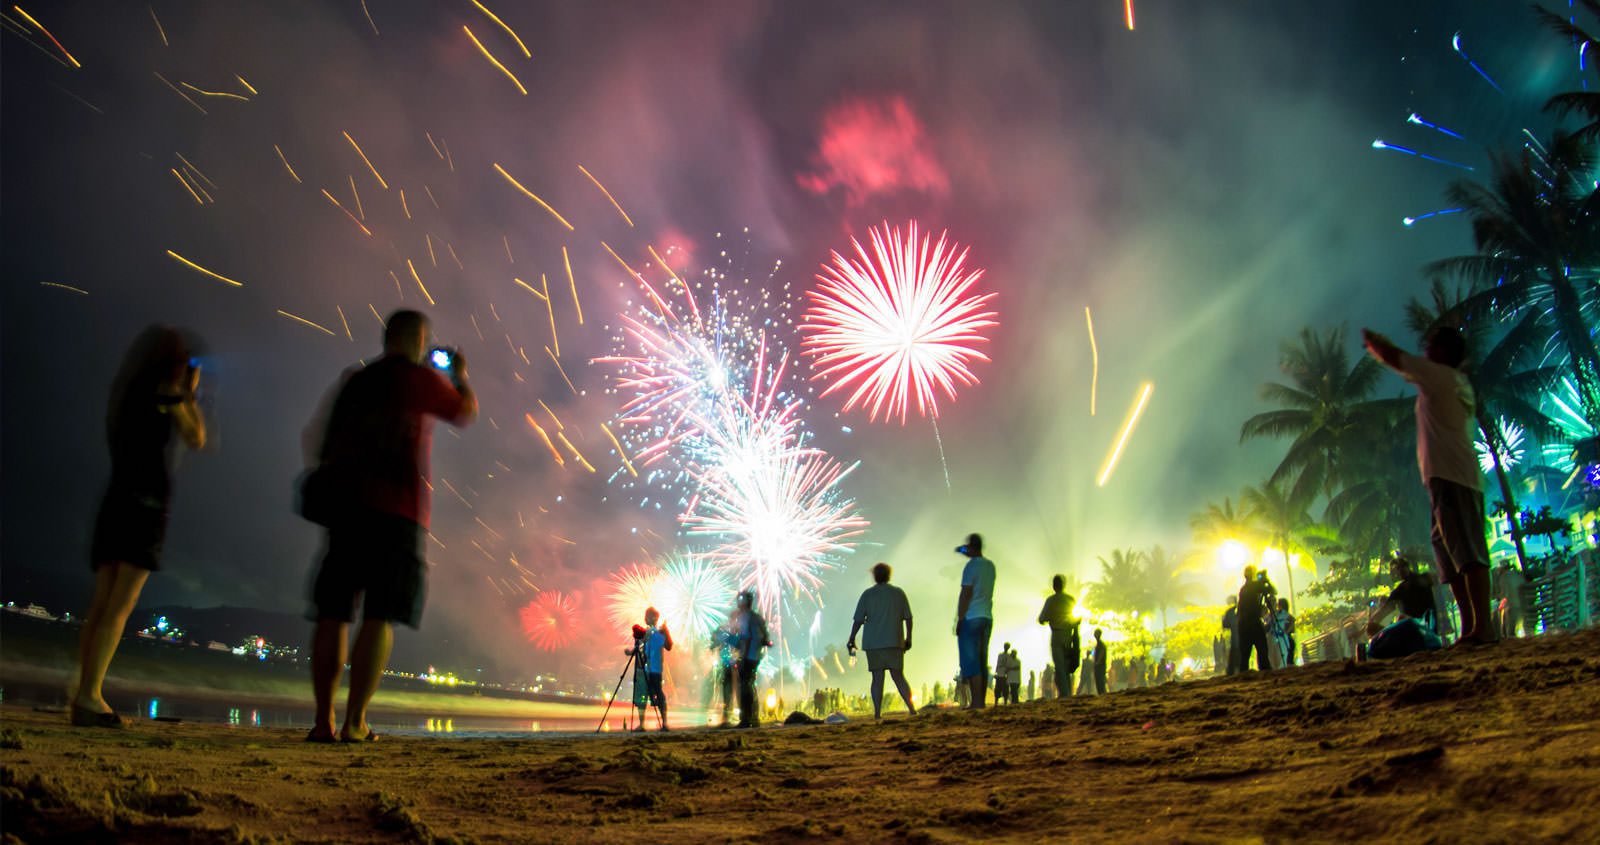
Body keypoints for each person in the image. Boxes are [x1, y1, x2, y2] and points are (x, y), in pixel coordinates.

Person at [303, 310, 476, 743]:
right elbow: (465, 411)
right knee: (380, 616)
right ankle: (355, 722)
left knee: (333, 613)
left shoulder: (356, 380)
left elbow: (317, 440)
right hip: (398, 513)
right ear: (418, 339)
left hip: (346, 510)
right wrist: (459, 374)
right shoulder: (418, 379)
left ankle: (323, 721)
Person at [72, 327, 207, 728]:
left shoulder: (130, 390)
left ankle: (83, 691)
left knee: (101, 603)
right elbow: (197, 436)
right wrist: (191, 393)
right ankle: (89, 695)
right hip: (145, 503)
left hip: (116, 496)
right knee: (120, 605)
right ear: (177, 363)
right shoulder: (169, 394)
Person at [1363, 326, 1495, 645]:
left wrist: (1373, 341)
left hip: (1453, 477)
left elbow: (1396, 358)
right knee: (1449, 557)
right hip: (1443, 478)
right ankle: (1470, 627)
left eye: (1431, 346)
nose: (1425, 351)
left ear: (1444, 353)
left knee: (1467, 552)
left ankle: (1484, 627)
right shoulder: (1446, 382)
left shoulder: (1441, 376)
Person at [846, 562, 917, 720]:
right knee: (898, 676)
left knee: (877, 679)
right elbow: (908, 618)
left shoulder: (867, 595)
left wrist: (852, 638)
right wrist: (908, 638)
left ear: (875, 576)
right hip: (894, 640)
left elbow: (858, 620)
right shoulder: (898, 593)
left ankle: (878, 713)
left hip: (873, 643)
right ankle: (912, 709)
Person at [1365, 555, 1444, 658]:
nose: (1399, 571)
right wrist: (1372, 621)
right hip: (1420, 629)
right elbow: (1384, 611)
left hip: (1420, 627)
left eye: (1400, 568)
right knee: (1399, 620)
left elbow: (1383, 612)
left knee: (1401, 619)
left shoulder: (1420, 580)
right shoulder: (1402, 589)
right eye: (1397, 569)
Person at [954, 533, 996, 709]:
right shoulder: (990, 566)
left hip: (971, 617)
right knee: (981, 658)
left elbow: (966, 593)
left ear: (972, 548)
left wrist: (960, 618)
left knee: (970, 662)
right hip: (986, 616)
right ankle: (980, 700)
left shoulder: (970, 567)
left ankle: (976, 702)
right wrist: (962, 550)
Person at [1037, 576, 1081, 700]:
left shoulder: (1051, 600)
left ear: (1054, 586)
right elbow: (1075, 617)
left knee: (1060, 666)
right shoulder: (1070, 599)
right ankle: (1067, 693)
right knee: (1066, 667)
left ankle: (1065, 694)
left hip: (1056, 634)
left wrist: (1051, 617)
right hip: (1069, 635)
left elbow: (1042, 619)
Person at [628, 607, 672, 731]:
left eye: (647, 616)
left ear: (652, 618)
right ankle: (651, 724)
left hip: (653, 670)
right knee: (645, 696)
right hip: (646, 669)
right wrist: (630, 652)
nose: (645, 619)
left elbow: (669, 646)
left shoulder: (659, 632)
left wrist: (666, 631)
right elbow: (638, 648)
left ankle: (662, 724)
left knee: (656, 695)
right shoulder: (645, 633)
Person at [733, 590, 772, 728]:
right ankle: (754, 718)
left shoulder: (745, 617)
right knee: (750, 685)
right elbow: (766, 639)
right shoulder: (757, 617)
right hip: (755, 656)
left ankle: (745, 719)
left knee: (743, 687)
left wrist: (742, 655)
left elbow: (746, 637)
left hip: (748, 656)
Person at [1235, 566, 1275, 672]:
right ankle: (1265, 669)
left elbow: (1240, 608)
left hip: (1243, 624)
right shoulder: (1256, 585)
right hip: (1254, 623)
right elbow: (1273, 591)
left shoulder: (1243, 589)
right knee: (1262, 648)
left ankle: (1243, 674)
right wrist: (1267, 581)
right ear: (1253, 575)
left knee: (1245, 653)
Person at [1273, 599, 1296, 667]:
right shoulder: (1277, 614)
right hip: (1279, 638)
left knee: (1290, 646)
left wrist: (1286, 632)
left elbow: (1292, 624)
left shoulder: (1286, 615)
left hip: (1285, 637)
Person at [1220, 596, 1239, 675]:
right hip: (1241, 639)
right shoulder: (1242, 610)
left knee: (1234, 658)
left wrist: (1223, 619)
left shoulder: (1230, 612)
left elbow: (1225, 625)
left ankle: (1232, 672)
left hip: (1235, 639)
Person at [1091, 630, 1108, 695]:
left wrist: (1097, 662)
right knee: (1098, 682)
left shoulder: (1101, 644)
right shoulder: (1098, 644)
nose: (1095, 635)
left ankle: (1103, 695)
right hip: (1098, 666)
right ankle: (1102, 694)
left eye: (1096, 634)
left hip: (1100, 666)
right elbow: (1095, 653)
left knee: (1100, 682)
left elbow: (1101, 653)